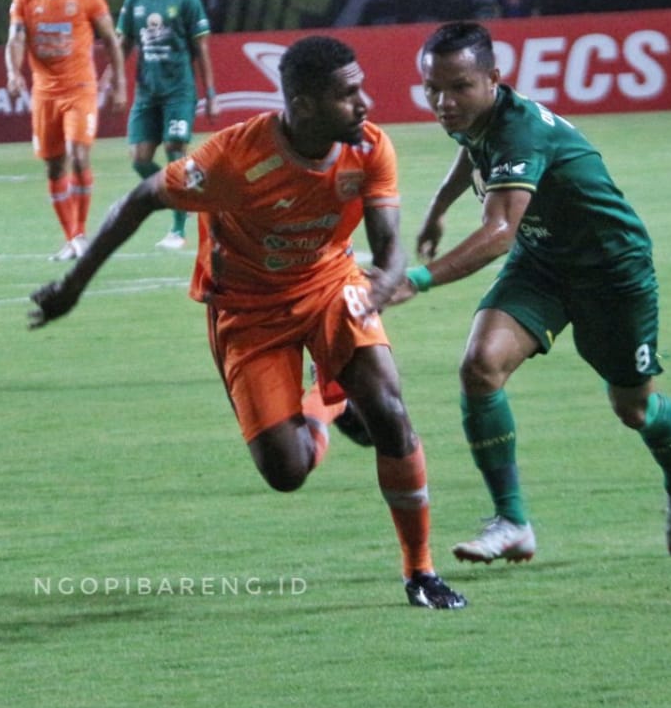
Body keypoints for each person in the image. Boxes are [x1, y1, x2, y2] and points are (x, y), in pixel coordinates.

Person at [30, 36, 467, 609]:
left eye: (361, 89)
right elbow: (140, 200)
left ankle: (421, 573)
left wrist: (381, 288)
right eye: (348, 95)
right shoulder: (233, 159)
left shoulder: (370, 149)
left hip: (331, 284)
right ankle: (327, 403)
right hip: (247, 309)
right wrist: (72, 288)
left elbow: (388, 250)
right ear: (304, 105)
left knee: (389, 413)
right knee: (286, 472)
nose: (365, 104)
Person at [393, 21, 671, 563]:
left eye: (458, 88)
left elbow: (498, 234)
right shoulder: (471, 115)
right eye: (432, 89)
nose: (443, 102)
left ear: (493, 78)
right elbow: (471, 149)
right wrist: (438, 209)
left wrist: (418, 279)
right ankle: (512, 522)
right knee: (480, 367)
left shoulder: (521, 131)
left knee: (633, 408)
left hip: (612, 271)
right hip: (543, 264)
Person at [6, 0, 127, 262]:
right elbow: (15, 40)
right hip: (45, 94)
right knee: (55, 165)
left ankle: (82, 234)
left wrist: (118, 82)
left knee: (78, 154)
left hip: (80, 89)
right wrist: (13, 72)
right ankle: (72, 237)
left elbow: (111, 42)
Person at [111, 0, 219, 250]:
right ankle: (188, 188)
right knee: (140, 160)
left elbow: (201, 49)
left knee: (174, 147)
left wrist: (210, 93)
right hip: (147, 93)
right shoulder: (135, 0)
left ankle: (177, 229)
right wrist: (114, 80)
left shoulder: (187, 0)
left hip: (179, 91)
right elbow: (123, 44)